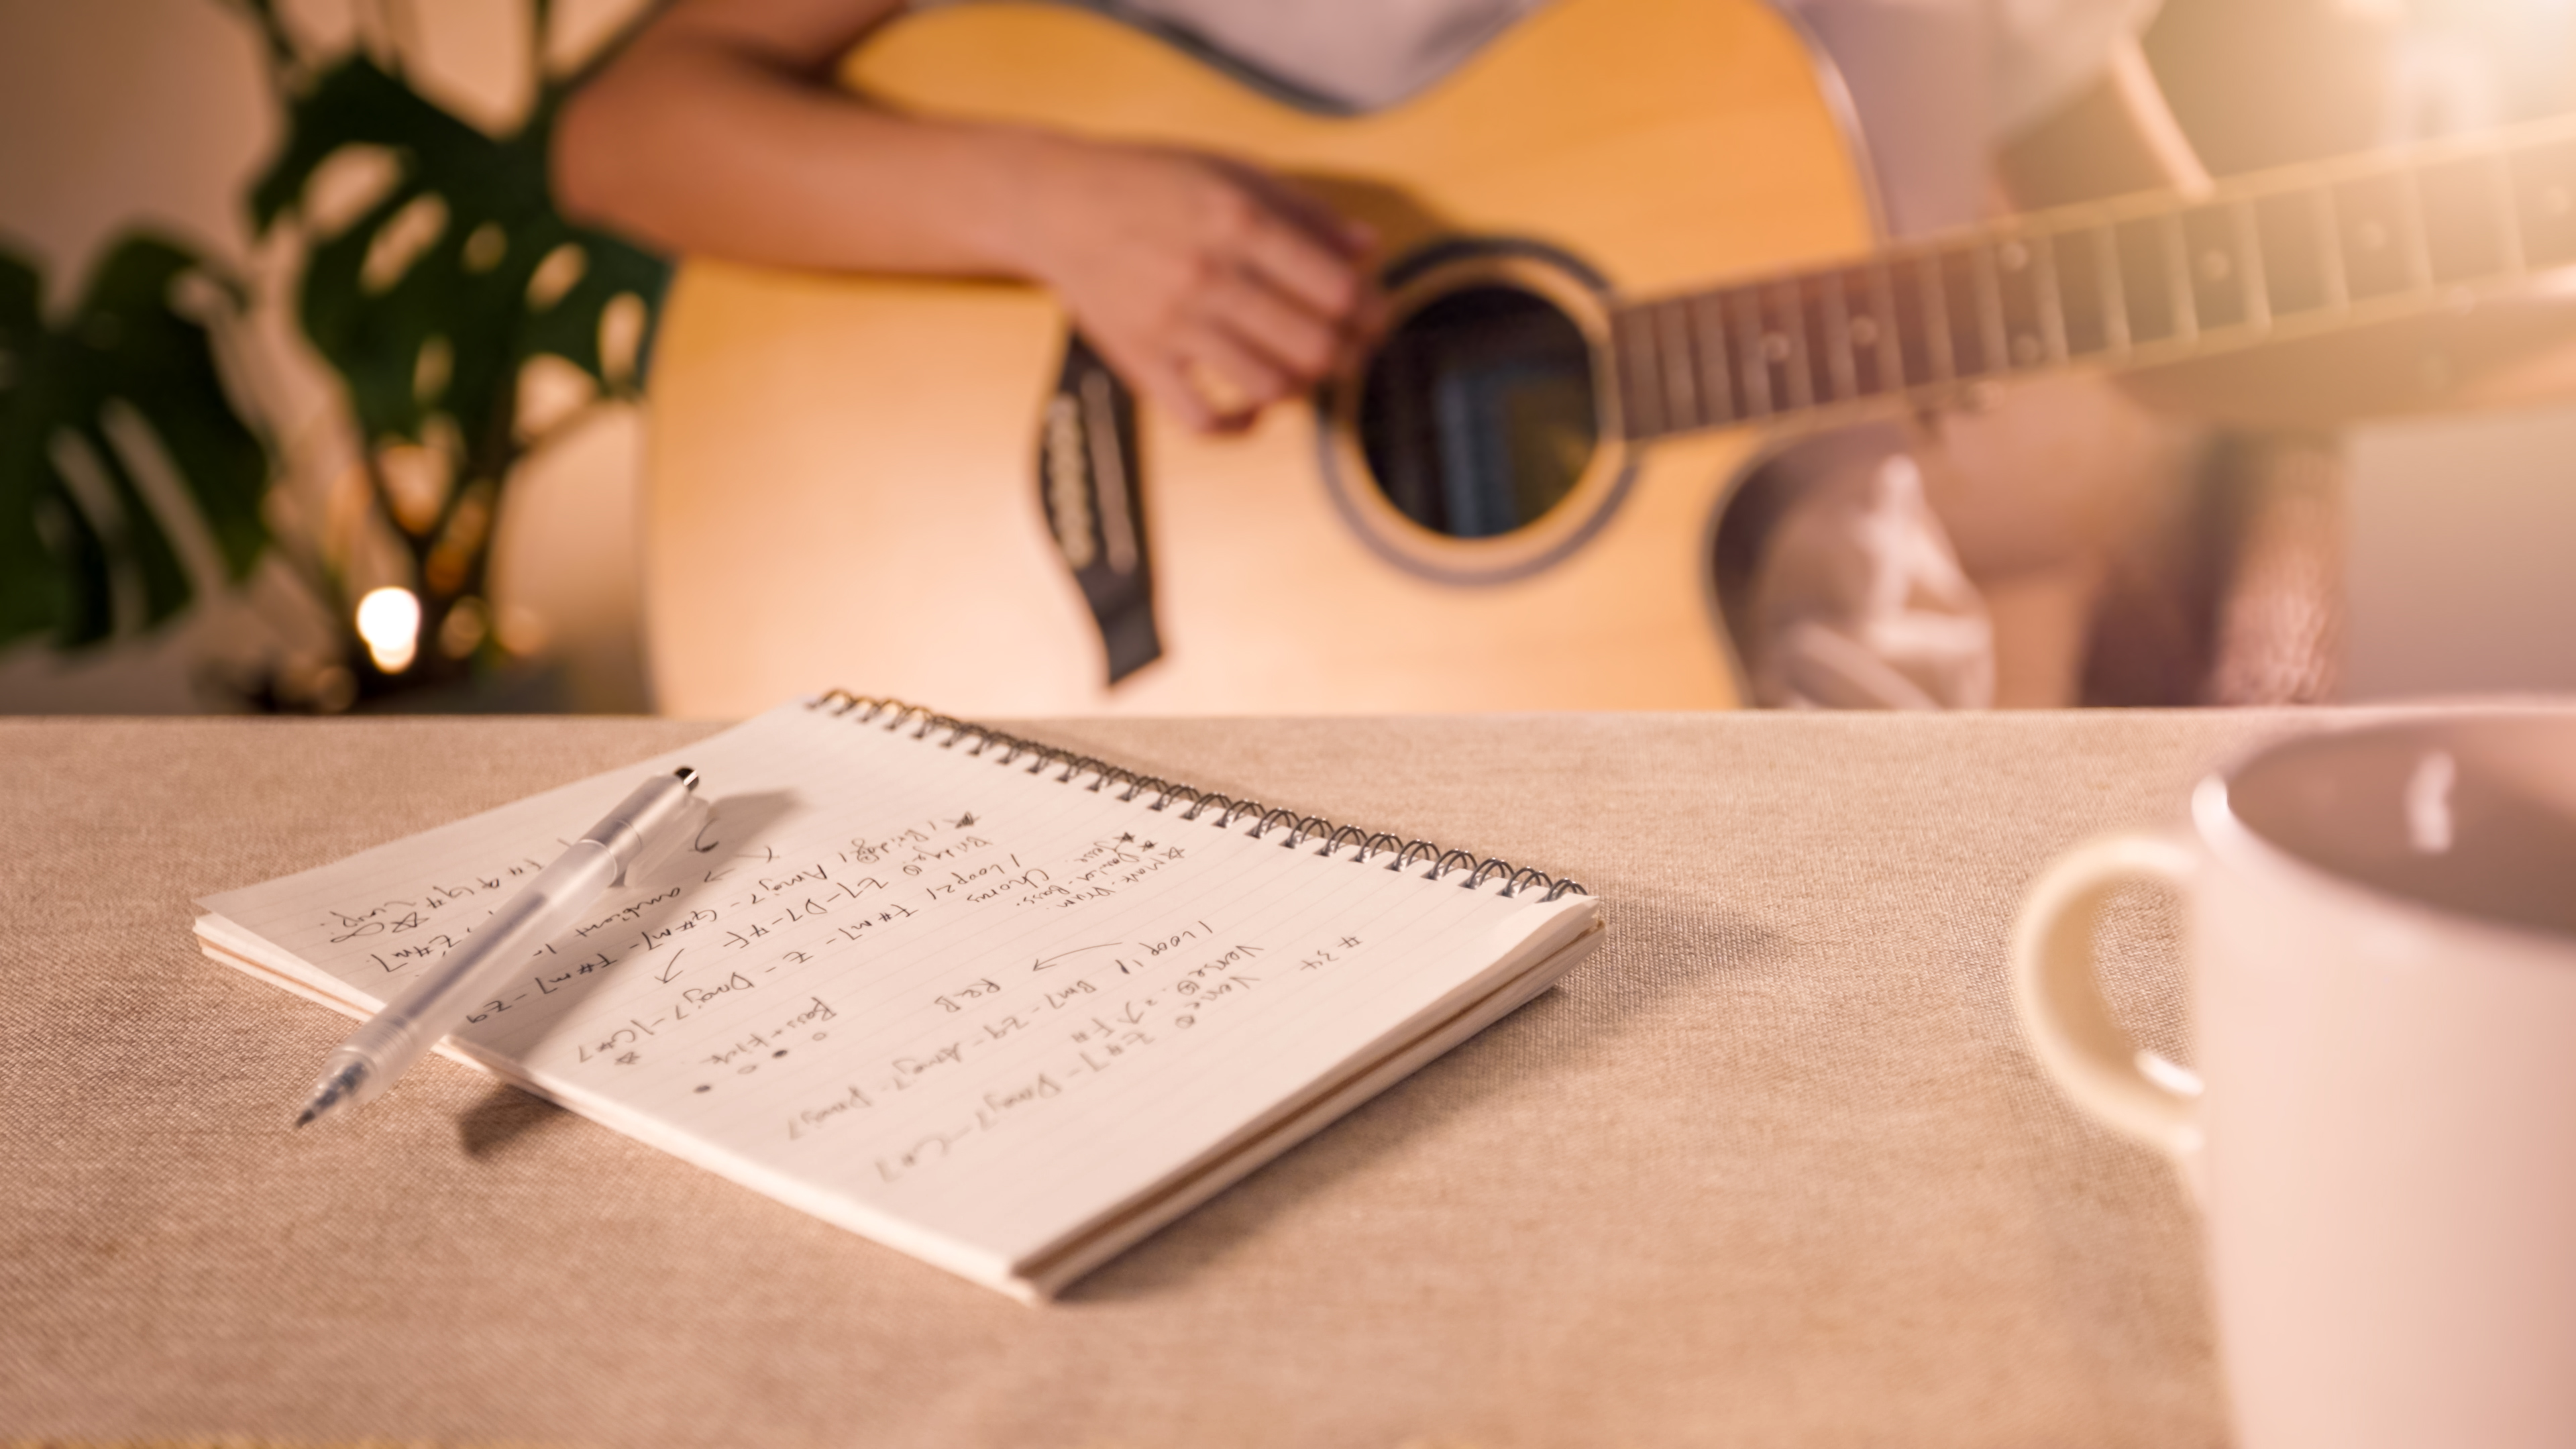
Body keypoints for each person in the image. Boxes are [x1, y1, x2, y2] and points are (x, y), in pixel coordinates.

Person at [554, 0, 2212, 709]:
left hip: (1826, 739)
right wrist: (1055, 210)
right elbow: (628, 135)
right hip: (1268, 780)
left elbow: (2200, 309)